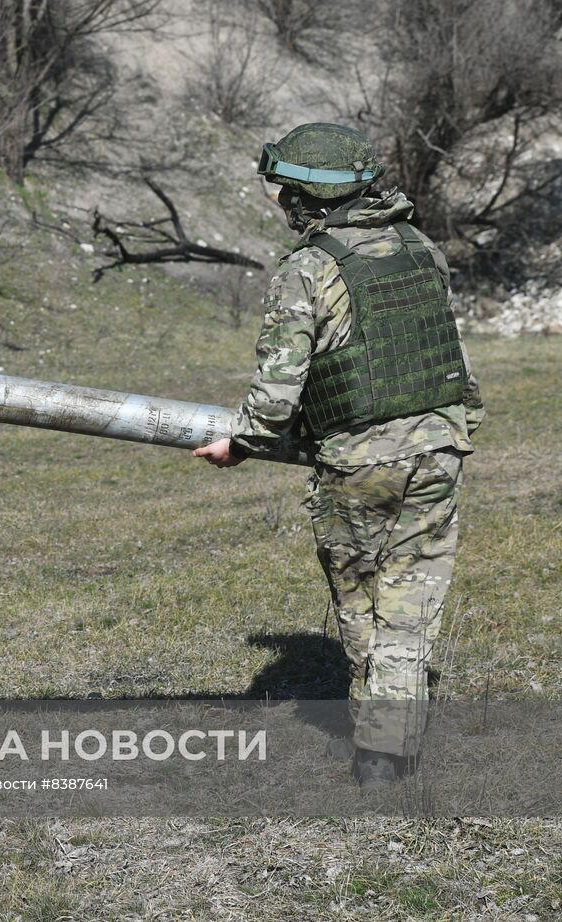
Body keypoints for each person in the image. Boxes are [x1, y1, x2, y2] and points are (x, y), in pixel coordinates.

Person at [193, 123, 485, 788]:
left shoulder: (309, 268)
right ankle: (391, 752)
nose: (280, 205)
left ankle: (379, 752)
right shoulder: (423, 248)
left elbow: (273, 399)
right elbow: (456, 365)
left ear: (307, 199)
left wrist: (238, 445)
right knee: (410, 610)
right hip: (439, 452)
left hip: (357, 466)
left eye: (284, 192)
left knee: (363, 611)